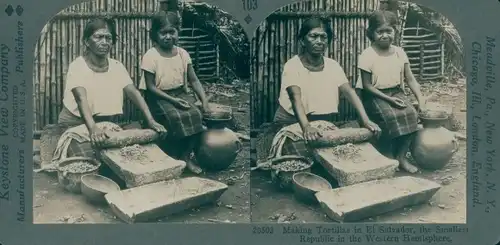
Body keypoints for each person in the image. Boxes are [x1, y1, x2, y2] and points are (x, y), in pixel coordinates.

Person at [270, 17, 381, 160]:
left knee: (344, 152)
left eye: (323, 37)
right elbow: (295, 99)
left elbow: (350, 93)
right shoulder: (292, 66)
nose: (319, 41)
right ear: (303, 41)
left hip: (322, 123)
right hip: (292, 122)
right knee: (305, 157)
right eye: (313, 36)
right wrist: (306, 127)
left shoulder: (333, 65)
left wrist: (366, 120)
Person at [57, 17, 167, 159]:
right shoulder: (77, 67)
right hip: (76, 123)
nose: (104, 42)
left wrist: (151, 120)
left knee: (126, 157)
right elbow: (80, 98)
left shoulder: (117, 66)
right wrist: (93, 129)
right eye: (98, 37)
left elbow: (134, 94)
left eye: (108, 38)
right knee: (89, 159)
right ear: (86, 42)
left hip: (106, 124)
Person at [139, 12, 212, 174]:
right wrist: (173, 101)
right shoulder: (151, 56)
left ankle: (185, 156)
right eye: (163, 33)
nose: (168, 36)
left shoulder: (182, 54)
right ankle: (171, 157)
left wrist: (204, 101)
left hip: (179, 93)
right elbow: (150, 87)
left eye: (172, 32)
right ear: (155, 35)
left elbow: (194, 80)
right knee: (175, 118)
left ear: (178, 32)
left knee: (197, 115)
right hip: (158, 96)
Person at [356, 10, 426, 173]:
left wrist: (420, 99)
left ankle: (401, 157)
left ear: (396, 31)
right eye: (380, 32)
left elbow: (410, 79)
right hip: (374, 94)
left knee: (411, 114)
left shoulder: (400, 52)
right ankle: (387, 156)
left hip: (395, 92)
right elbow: (366, 86)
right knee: (389, 117)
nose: (384, 35)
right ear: (371, 33)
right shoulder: (367, 55)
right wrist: (390, 100)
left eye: (389, 31)